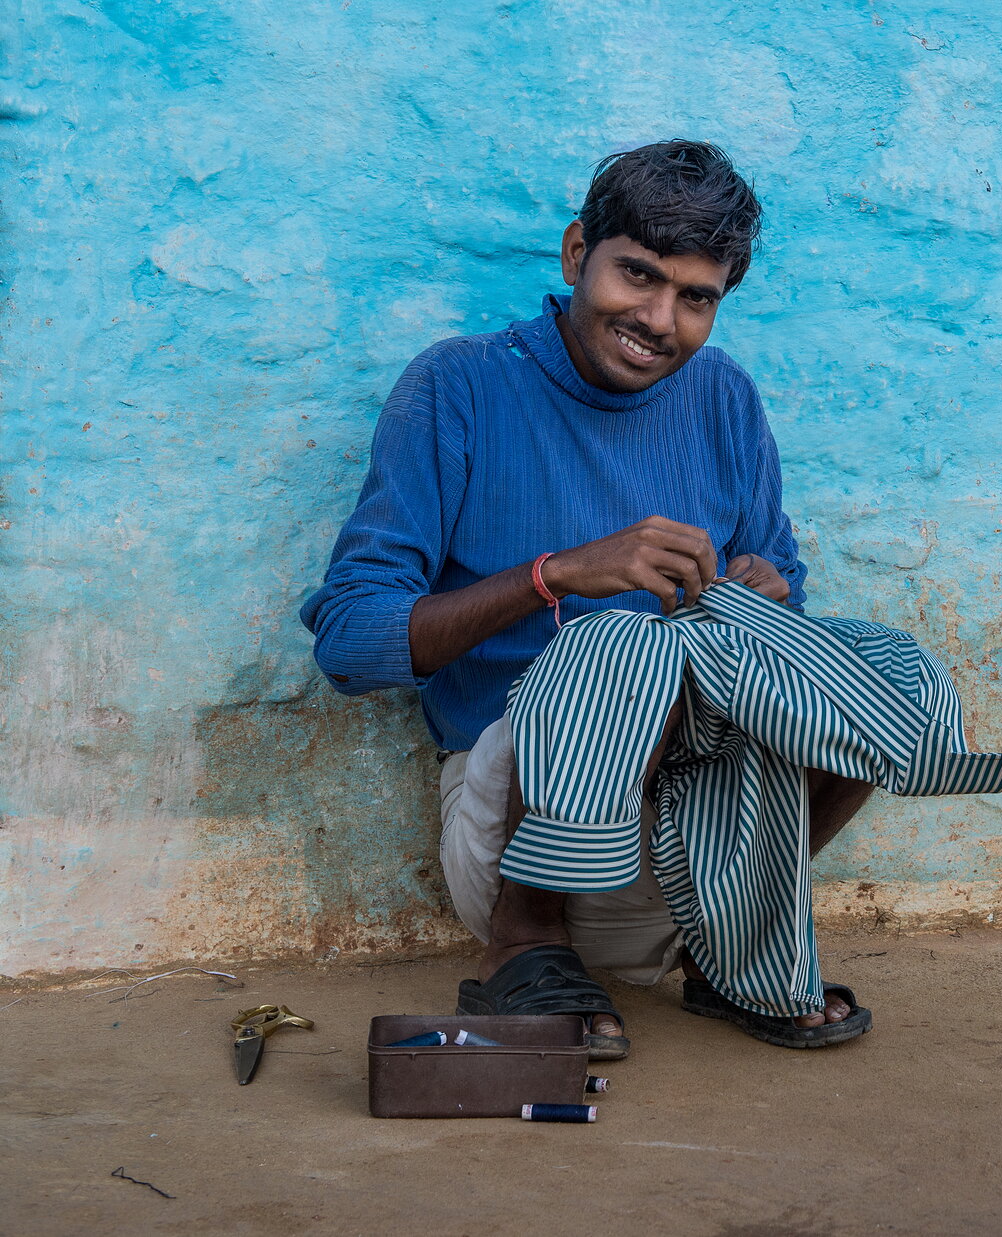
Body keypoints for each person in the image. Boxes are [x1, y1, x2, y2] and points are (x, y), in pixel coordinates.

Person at [301, 141, 898, 1057]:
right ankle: (521, 949)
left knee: (879, 678)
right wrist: (559, 575)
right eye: (638, 276)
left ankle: (730, 947)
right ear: (579, 253)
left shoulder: (724, 398)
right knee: (621, 642)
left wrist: (767, 598)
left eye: (696, 297)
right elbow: (348, 643)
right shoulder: (457, 386)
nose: (660, 318)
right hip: (520, 844)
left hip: (701, 854)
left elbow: (782, 617)